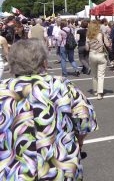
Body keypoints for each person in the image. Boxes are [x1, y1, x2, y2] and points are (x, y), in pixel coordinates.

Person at [0, 39, 98, 180]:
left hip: (13, 172)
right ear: (44, 62)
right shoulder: (62, 85)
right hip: (60, 169)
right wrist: (78, 142)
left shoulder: (3, 90)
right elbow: (85, 122)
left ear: (12, 64)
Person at [86, 20, 110, 100]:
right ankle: (99, 93)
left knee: (94, 75)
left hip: (92, 54)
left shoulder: (88, 36)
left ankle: (95, 90)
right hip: (101, 55)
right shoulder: (101, 34)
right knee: (101, 75)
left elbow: (86, 48)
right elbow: (107, 44)